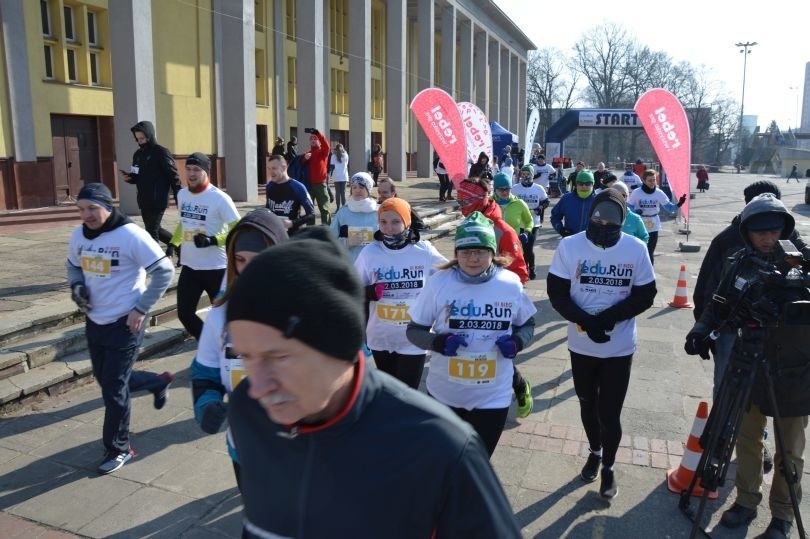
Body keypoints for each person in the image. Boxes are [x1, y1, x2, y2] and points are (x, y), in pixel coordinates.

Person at [225, 229, 523, 538]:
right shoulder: (248, 410)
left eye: (280, 357)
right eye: (247, 356)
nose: (258, 386)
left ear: (338, 348)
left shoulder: (439, 446)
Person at [685, 193, 809, 538]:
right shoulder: (740, 261)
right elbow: (718, 303)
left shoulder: (805, 262)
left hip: (794, 371)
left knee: (789, 449)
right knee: (747, 438)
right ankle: (746, 500)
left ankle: (783, 515)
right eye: (759, 232)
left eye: (773, 231)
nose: (767, 238)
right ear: (747, 233)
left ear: (784, 227)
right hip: (748, 362)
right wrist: (700, 330)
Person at [547, 189, 657, 499]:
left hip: (619, 347)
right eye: (599, 215)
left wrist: (609, 318)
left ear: (624, 218)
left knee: (610, 413)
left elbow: (645, 294)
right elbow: (557, 293)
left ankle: (608, 467)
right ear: (590, 213)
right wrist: (586, 321)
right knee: (586, 405)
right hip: (581, 345)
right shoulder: (570, 246)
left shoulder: (635, 248)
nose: (604, 222)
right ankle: (595, 451)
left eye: (613, 217)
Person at [66, 183, 175, 475]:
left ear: (108, 206)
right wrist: (77, 286)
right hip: (94, 321)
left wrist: (140, 309)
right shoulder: (79, 236)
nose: (86, 215)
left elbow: (164, 270)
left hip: (126, 323)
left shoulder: (130, 235)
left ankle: (119, 448)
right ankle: (156, 381)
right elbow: (73, 266)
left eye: (92, 208)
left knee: (114, 390)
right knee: (110, 382)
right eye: (81, 209)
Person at [407, 212, 537, 456]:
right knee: (445, 461)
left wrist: (518, 341)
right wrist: (437, 342)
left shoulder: (509, 283)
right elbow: (414, 331)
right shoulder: (439, 283)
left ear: (492, 252)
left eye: (480, 251)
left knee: (478, 462)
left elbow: (528, 323)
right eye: (465, 252)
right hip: (445, 393)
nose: (473, 258)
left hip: (492, 395)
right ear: (456, 254)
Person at [191, 208, 288, 492]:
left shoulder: (305, 307)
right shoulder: (220, 315)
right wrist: (206, 404)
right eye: (241, 260)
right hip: (244, 446)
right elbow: (205, 374)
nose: (250, 269)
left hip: (298, 449)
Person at [455, 177, 533, 416]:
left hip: (497, 302)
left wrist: (502, 295)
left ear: (481, 199)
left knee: (497, 351)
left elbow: (520, 271)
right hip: (468, 298)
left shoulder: (503, 231)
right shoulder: (467, 224)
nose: (462, 205)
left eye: (467, 200)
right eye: (460, 200)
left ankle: (519, 386)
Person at [354, 198, 447, 389]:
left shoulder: (423, 251)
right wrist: (369, 292)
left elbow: (451, 275)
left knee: (406, 394)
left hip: (414, 337)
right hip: (380, 336)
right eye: (383, 222)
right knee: (388, 394)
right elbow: (350, 288)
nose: (389, 228)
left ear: (407, 222)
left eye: (396, 222)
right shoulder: (369, 253)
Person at [168, 152, 241, 341]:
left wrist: (213, 240)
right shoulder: (182, 194)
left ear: (206, 172)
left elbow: (239, 230)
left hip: (216, 268)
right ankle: (208, 344)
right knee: (185, 314)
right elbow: (184, 221)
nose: (191, 174)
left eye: (196, 170)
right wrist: (173, 243)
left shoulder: (219, 199)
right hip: (190, 267)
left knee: (225, 318)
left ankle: (230, 354)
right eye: (188, 169)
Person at [122, 120, 181, 248]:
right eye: (137, 139)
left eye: (142, 138)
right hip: (144, 199)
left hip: (158, 199)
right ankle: (179, 246)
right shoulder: (137, 154)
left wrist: (179, 196)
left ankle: (155, 262)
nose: (139, 141)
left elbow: (173, 176)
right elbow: (136, 176)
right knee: (156, 229)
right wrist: (130, 178)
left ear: (149, 135)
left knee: (151, 232)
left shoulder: (161, 152)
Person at [627, 169, 687, 265]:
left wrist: (679, 204)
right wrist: (635, 211)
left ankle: (649, 272)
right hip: (640, 223)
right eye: (649, 180)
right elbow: (628, 206)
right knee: (639, 250)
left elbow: (670, 208)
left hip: (653, 224)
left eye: (654, 180)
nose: (652, 182)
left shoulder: (659, 193)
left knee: (650, 251)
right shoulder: (636, 192)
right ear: (644, 180)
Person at [492, 173, 534, 277]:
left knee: (514, 275)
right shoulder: (488, 203)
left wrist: (527, 232)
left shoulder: (519, 203)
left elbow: (529, 220)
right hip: (493, 246)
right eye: (501, 189)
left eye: (507, 189)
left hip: (513, 246)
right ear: (495, 189)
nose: (505, 192)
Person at [330, 172, 378, 263]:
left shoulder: (379, 212)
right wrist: (347, 243)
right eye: (354, 187)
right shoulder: (343, 212)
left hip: (373, 265)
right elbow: (330, 240)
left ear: (368, 190)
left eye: (361, 187)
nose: (357, 190)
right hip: (349, 266)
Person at [512, 165, 549, 279]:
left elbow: (546, 201)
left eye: (528, 174)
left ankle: (531, 268)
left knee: (528, 248)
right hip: (518, 223)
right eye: (523, 174)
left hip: (533, 223)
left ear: (532, 175)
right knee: (519, 249)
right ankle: (523, 268)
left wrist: (540, 208)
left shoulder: (539, 188)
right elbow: (509, 201)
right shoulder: (515, 188)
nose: (525, 176)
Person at [264, 154, 315, 235]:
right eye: (269, 168)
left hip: (292, 238)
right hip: (273, 236)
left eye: (274, 168)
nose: (270, 172)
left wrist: (292, 223)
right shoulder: (269, 186)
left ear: (284, 168)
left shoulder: (298, 187)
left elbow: (311, 214)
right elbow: (268, 208)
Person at [551, 169, 597, 237]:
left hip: (592, 242)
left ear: (593, 184)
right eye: (580, 183)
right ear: (576, 184)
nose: (584, 186)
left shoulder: (599, 200)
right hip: (570, 240)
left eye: (588, 184)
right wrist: (560, 229)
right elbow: (555, 217)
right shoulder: (566, 198)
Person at [301, 128, 331, 225]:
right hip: (308, 185)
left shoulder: (323, 151)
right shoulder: (307, 153)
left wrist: (318, 133)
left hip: (320, 185)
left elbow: (327, 145)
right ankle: (310, 230)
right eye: (311, 139)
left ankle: (326, 230)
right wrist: (304, 159)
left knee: (324, 209)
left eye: (315, 139)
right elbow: (300, 164)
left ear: (319, 140)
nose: (313, 140)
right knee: (309, 209)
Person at [330, 143, 349, 210]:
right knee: (343, 192)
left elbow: (332, 166)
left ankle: (337, 208)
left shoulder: (333, 156)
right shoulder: (346, 155)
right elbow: (346, 163)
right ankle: (344, 208)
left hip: (336, 176)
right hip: (344, 176)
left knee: (337, 193)